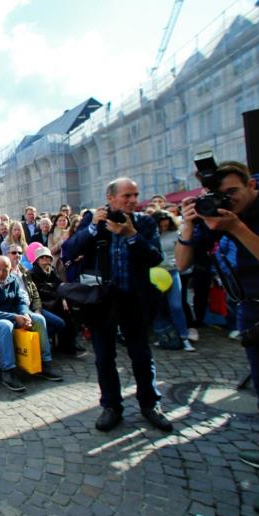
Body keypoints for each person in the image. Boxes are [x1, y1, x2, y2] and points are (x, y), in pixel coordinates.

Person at [175, 161, 259, 461]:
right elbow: (181, 264)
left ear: (252, 185)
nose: (227, 201)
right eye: (220, 194)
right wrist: (189, 224)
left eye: (233, 192)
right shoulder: (216, 214)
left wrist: (236, 227)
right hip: (250, 311)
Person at [63, 177, 172, 432]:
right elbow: (69, 250)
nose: (133, 200)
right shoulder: (95, 221)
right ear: (110, 198)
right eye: (127, 196)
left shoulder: (144, 222)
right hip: (103, 301)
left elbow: (155, 257)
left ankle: (150, 403)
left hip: (135, 298)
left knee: (141, 355)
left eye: (135, 195)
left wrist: (132, 235)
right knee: (104, 357)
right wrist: (92, 228)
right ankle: (111, 406)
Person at [0, 255, 62, 393]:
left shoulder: (13, 280)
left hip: (13, 314)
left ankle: (45, 363)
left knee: (39, 319)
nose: (2, 273)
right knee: (5, 326)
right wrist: (14, 317)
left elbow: (20, 301)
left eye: (5, 270)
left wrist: (25, 313)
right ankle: (8, 371)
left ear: (10, 270)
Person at [153, 211, 196, 352]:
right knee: (159, 308)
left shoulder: (175, 233)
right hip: (155, 274)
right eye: (162, 223)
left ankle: (184, 337)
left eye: (167, 222)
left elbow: (183, 250)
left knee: (176, 305)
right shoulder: (151, 235)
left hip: (172, 271)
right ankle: (164, 336)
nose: (165, 226)